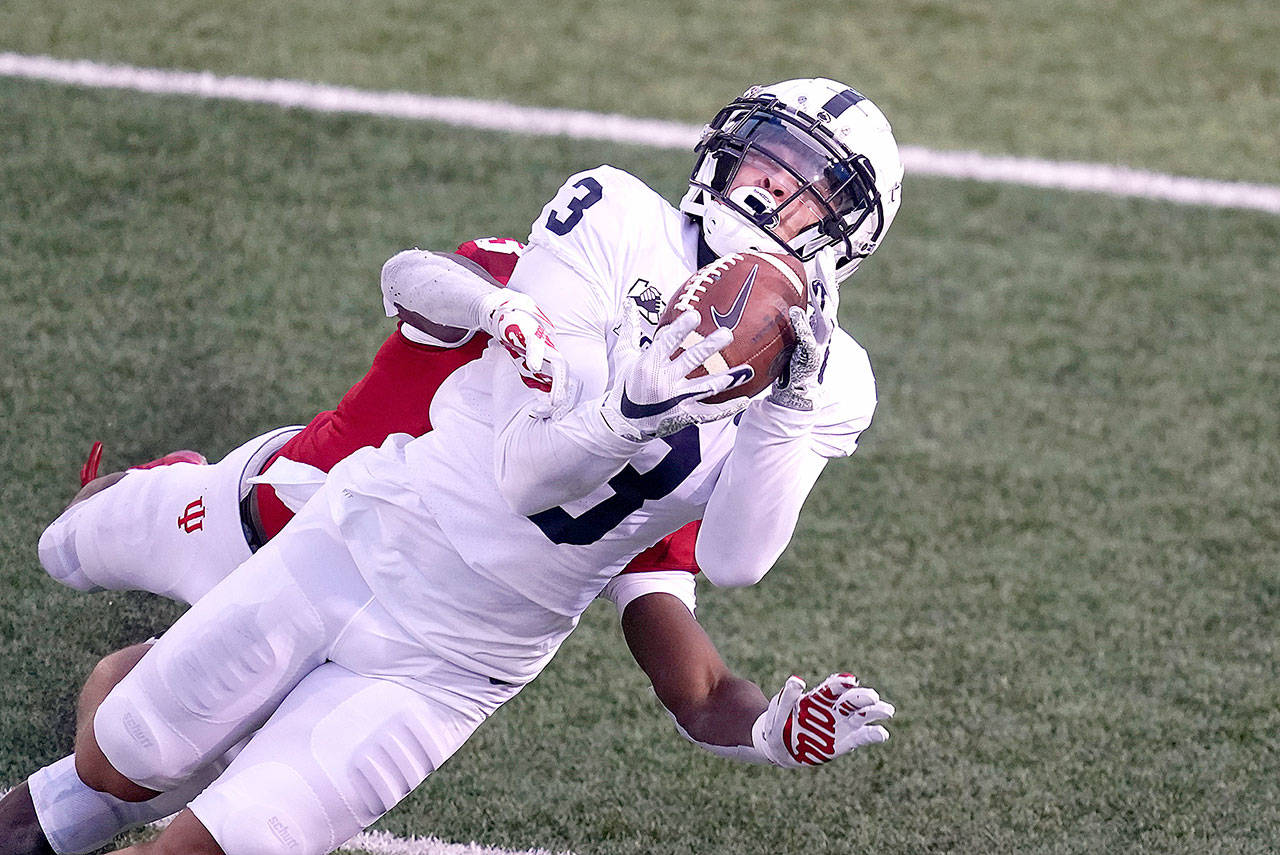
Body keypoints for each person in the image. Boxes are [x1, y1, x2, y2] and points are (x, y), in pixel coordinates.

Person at [20, 77, 902, 855]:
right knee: (117, 757)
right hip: (351, 524)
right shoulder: (618, 217)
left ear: (846, 231)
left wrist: (785, 408)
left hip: (459, 657)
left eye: (810, 181)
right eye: (767, 154)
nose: (774, 180)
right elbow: (522, 463)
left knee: (213, 842)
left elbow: (736, 561)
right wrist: (612, 397)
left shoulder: (833, 380)